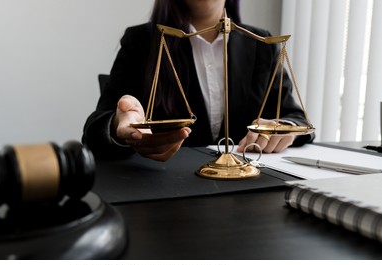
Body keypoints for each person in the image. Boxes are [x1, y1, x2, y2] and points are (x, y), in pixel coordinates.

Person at [82, 0, 314, 162]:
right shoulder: (141, 42)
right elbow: (94, 130)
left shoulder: (263, 46)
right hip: (169, 192)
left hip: (247, 191)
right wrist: (118, 125)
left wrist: (285, 130)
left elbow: (296, 118)